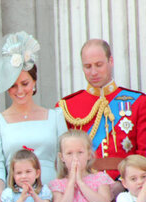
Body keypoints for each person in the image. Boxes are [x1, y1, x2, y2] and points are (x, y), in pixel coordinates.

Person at [0, 31, 67, 202]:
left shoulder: (55, 116)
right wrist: (3, 197)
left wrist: (62, 195)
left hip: (53, 198)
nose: (20, 91)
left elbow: (63, 160)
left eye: (25, 83)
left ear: (34, 82)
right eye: (13, 85)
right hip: (16, 201)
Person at [58, 39, 146, 183]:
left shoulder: (138, 102)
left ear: (110, 61)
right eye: (87, 66)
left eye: (99, 65)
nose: (93, 72)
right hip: (84, 185)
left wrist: (122, 183)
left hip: (128, 186)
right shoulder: (67, 107)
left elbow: (143, 153)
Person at [49, 130, 113, 202]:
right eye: (69, 153)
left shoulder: (100, 178)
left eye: (80, 152)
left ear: (89, 154)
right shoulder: (58, 184)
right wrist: (71, 182)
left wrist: (80, 182)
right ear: (62, 157)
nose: (75, 158)